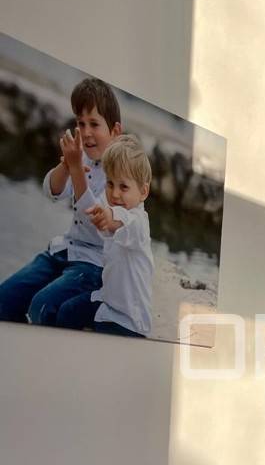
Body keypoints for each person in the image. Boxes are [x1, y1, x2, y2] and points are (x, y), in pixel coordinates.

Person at [0, 77, 122, 324]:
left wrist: (76, 170)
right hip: (64, 250)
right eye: (81, 123)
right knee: (4, 298)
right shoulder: (82, 158)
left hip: (93, 265)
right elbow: (52, 191)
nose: (86, 132)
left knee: (41, 307)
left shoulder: (120, 173)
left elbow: (96, 219)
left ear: (115, 132)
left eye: (94, 124)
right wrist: (66, 166)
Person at [56, 135, 154, 338]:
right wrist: (76, 171)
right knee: (66, 312)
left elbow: (119, 220)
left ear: (143, 192)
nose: (115, 194)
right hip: (107, 302)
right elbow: (93, 210)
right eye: (110, 184)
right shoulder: (112, 210)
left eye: (124, 187)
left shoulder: (138, 223)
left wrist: (108, 216)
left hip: (128, 320)